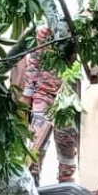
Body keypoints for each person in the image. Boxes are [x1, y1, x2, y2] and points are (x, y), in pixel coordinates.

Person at [19, 26, 78, 184]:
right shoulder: (44, 32)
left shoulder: (79, 31)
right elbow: (34, 63)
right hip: (43, 94)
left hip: (67, 97)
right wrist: (27, 95)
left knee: (67, 145)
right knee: (36, 143)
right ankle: (32, 185)